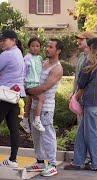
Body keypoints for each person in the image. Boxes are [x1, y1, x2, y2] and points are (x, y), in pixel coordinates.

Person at [64, 38, 97, 171]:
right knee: (82, 132)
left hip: (90, 102)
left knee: (91, 133)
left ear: (91, 48)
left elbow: (81, 82)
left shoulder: (89, 61)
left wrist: (75, 96)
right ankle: (78, 162)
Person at [25, 39, 64, 177]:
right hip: (35, 106)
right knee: (36, 136)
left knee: (47, 135)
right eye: (47, 46)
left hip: (46, 107)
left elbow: (45, 87)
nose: (47, 49)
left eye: (50, 47)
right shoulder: (43, 63)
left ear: (58, 51)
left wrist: (27, 91)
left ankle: (52, 164)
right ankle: (40, 162)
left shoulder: (57, 68)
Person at [0, 30, 26, 168]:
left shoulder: (7, 54)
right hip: (16, 96)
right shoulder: (18, 53)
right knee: (14, 128)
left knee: (13, 128)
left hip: (5, 95)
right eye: (0, 40)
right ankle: (13, 160)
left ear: (13, 40)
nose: (1, 42)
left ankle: (12, 160)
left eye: (4, 40)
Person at [20, 37, 45, 133]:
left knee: (29, 102)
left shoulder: (39, 58)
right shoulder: (26, 58)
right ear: (29, 47)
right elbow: (23, 71)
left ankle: (25, 120)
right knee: (42, 98)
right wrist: (22, 86)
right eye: (33, 46)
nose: (35, 48)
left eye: (37, 46)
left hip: (37, 83)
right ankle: (37, 120)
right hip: (30, 84)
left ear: (40, 48)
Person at [72, 32, 96, 124]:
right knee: (81, 126)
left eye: (82, 39)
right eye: (78, 39)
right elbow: (77, 77)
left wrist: (77, 94)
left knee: (88, 128)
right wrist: (74, 92)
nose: (78, 41)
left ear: (89, 41)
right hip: (78, 97)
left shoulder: (94, 58)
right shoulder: (81, 56)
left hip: (89, 99)